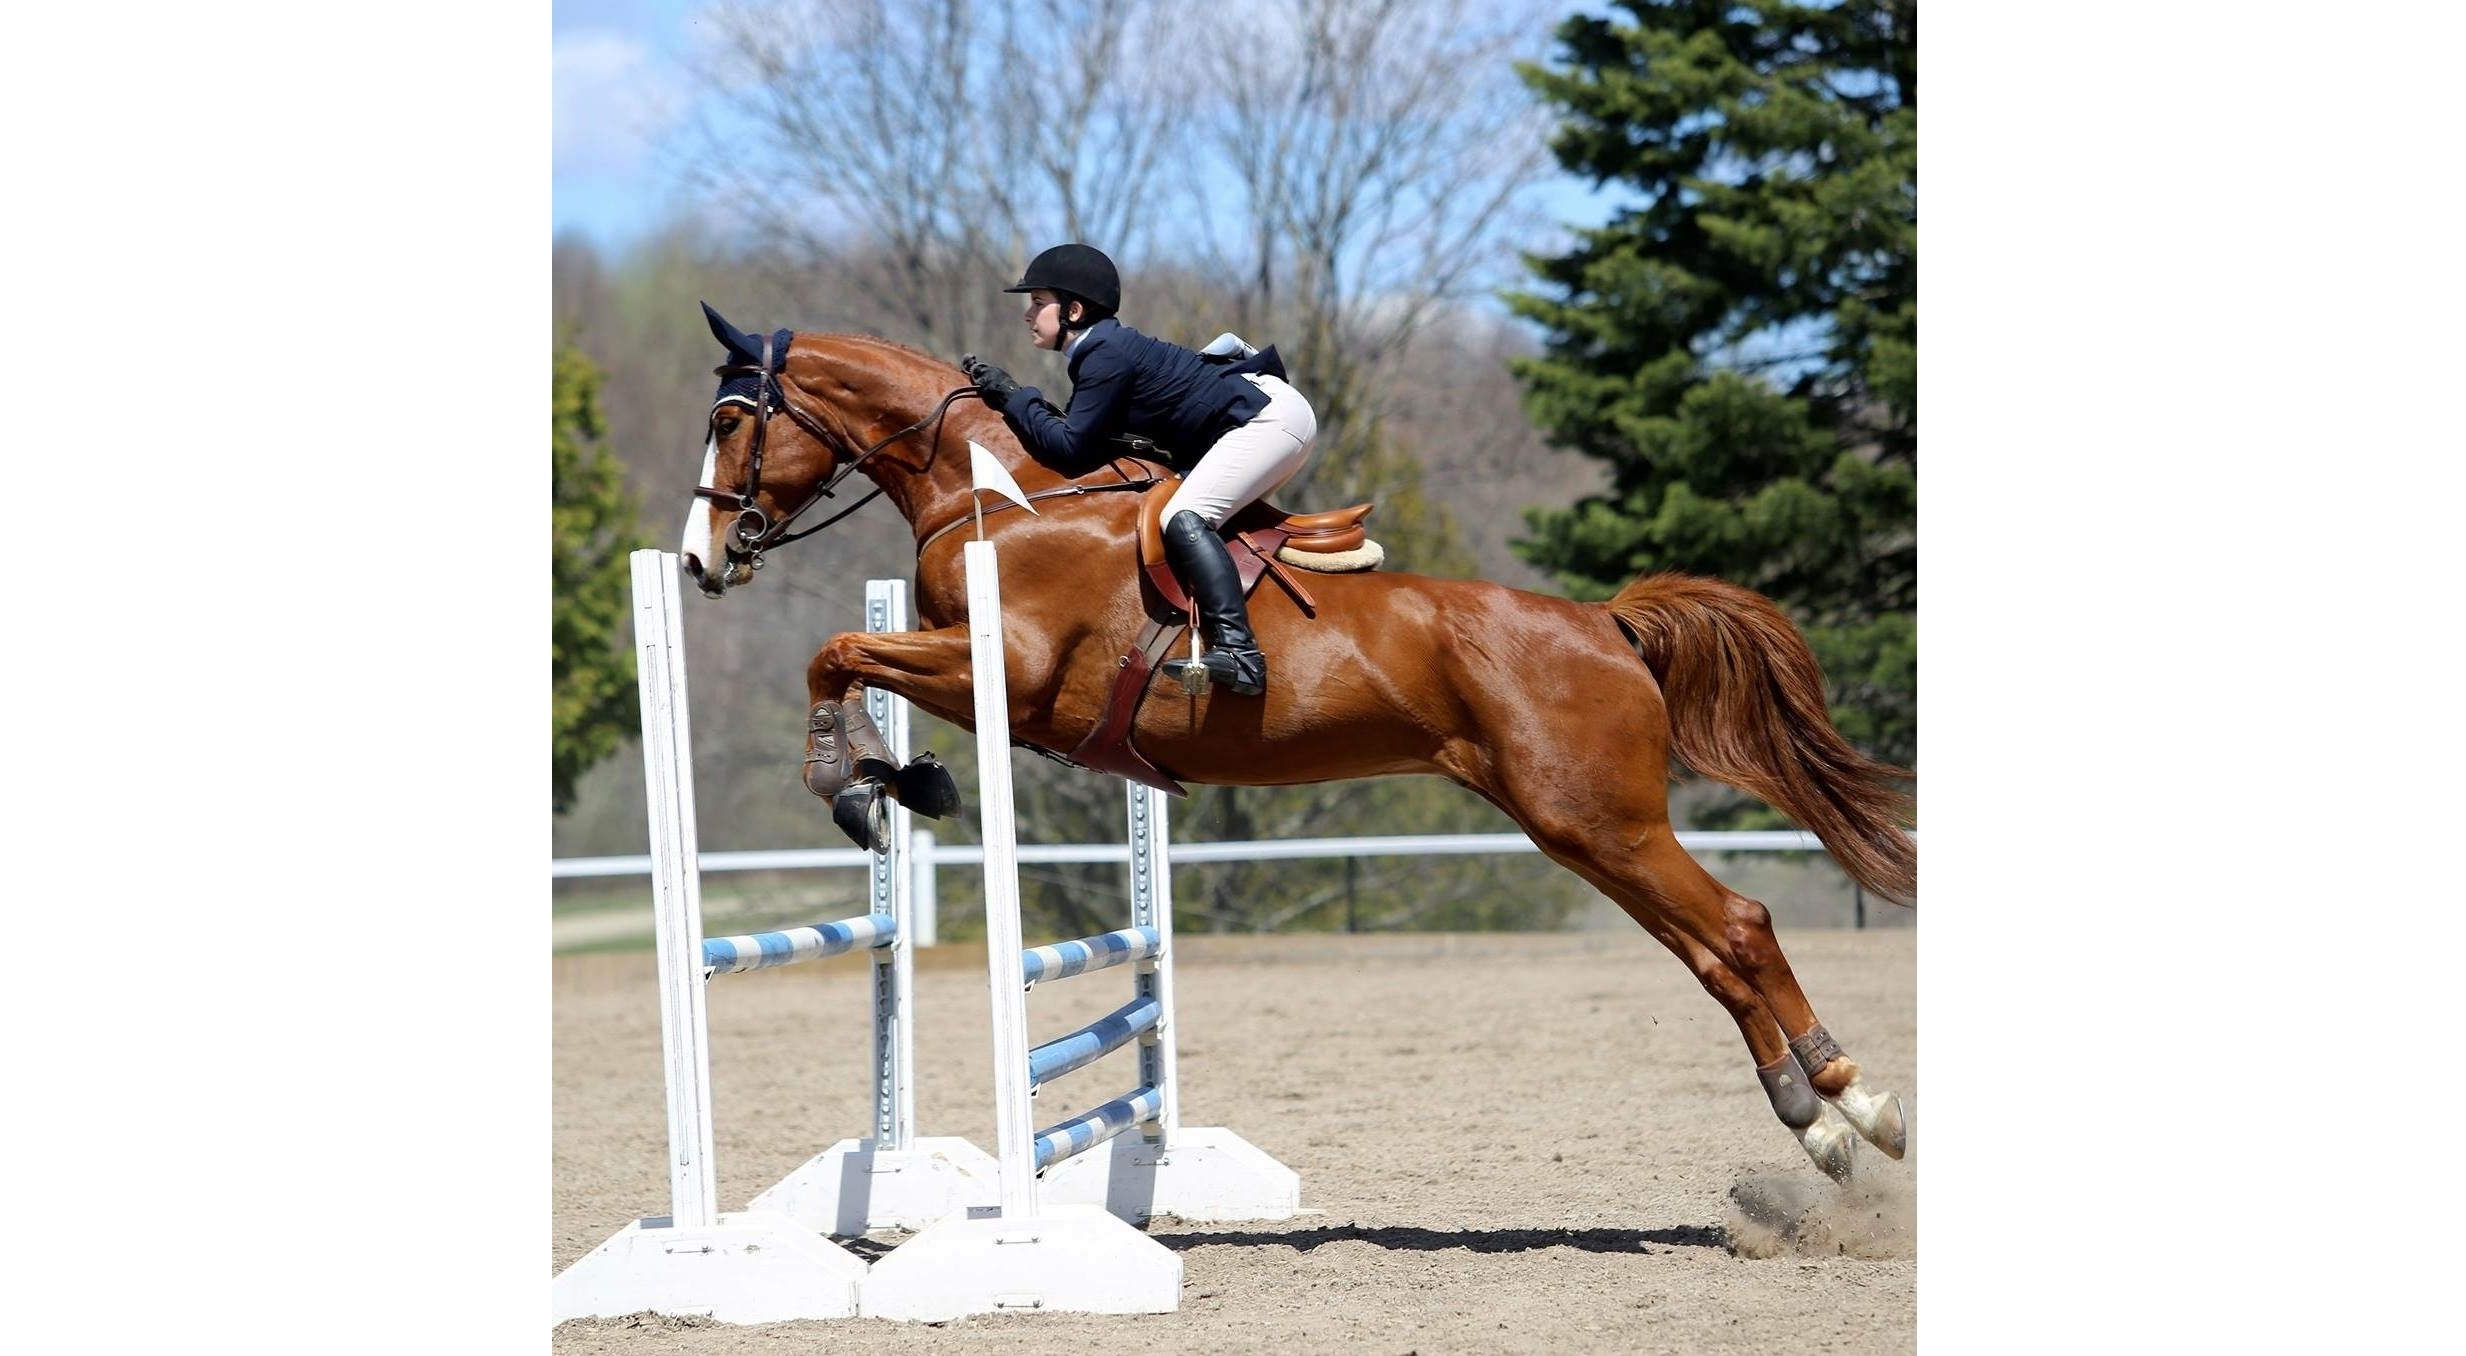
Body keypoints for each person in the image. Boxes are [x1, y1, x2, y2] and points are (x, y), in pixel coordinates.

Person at [960, 243, 1316, 698]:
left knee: (1183, 518)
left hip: (1269, 419)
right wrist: (1016, 402)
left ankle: (1241, 653)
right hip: (1263, 416)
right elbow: (1082, 444)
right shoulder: (1104, 350)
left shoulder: (1104, 353)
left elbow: (1069, 450)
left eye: (1037, 302)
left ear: (1073, 309)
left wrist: (1015, 396)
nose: (1028, 315)